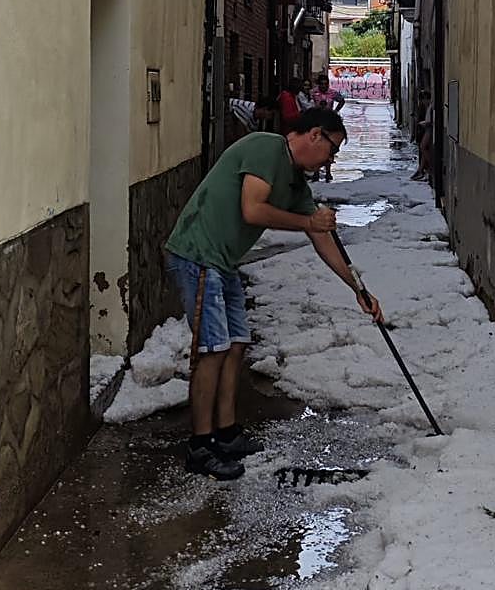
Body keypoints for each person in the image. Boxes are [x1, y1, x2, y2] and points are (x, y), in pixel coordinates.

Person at [164, 109, 384, 480]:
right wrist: (307, 221)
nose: (331, 160)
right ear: (314, 134)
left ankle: (227, 432)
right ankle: (200, 447)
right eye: (332, 150)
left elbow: (321, 236)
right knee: (211, 350)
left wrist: (357, 288)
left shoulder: (297, 183)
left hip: (225, 262)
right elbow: (253, 209)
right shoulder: (265, 149)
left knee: (235, 344)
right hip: (198, 255)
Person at [310, 73, 346, 182]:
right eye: (321, 84)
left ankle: (328, 171)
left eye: (325, 84)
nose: (323, 86)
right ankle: (315, 172)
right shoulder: (313, 93)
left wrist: (335, 111)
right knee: (315, 147)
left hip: (328, 123)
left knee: (328, 148)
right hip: (315, 122)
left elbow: (342, 100)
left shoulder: (332, 93)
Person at [411, 90, 433, 182]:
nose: (423, 102)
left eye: (423, 100)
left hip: (429, 129)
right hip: (427, 128)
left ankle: (431, 167)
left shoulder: (431, 107)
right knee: (423, 149)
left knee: (423, 147)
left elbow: (430, 121)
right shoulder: (428, 107)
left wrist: (424, 123)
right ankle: (421, 170)